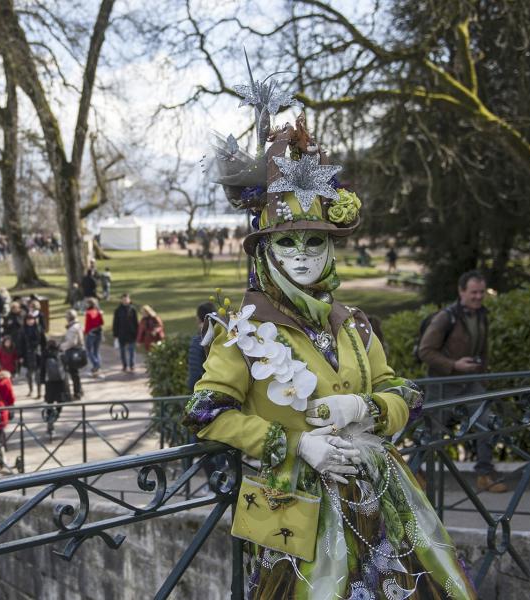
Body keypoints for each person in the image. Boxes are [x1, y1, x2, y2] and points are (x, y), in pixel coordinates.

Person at [185, 110, 472, 597]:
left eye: (314, 241)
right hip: (297, 513)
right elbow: (204, 410)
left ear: (331, 250)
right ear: (266, 252)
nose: (301, 253)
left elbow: (404, 392)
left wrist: (365, 407)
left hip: (379, 502)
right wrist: (296, 443)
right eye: (286, 241)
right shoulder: (243, 333)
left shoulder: (354, 323)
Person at [418, 270, 507, 493]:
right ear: (461, 291)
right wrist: (454, 365)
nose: (478, 296)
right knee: (432, 432)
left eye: (481, 292)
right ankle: (415, 472)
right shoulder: (445, 317)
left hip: (471, 382)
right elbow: (425, 351)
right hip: (442, 384)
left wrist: (482, 376)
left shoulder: (481, 315)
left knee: (488, 422)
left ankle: (484, 474)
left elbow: (483, 350)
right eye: (473, 292)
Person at [186, 301, 217, 390]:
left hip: (206, 389)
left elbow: (195, 372)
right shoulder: (223, 337)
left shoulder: (198, 341)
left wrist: (191, 386)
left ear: (199, 319)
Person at [16, 312, 45, 399]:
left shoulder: (39, 328)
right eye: (28, 320)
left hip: (38, 354)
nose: (30, 321)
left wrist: (44, 352)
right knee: (29, 374)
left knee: (38, 374)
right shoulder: (22, 330)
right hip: (27, 355)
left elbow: (43, 342)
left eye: (32, 319)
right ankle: (31, 389)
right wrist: (20, 356)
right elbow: (20, 344)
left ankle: (39, 392)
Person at [60, 309, 85, 400]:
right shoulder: (77, 325)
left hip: (72, 353)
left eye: (66, 316)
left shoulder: (73, 328)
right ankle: (80, 391)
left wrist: (61, 347)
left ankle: (77, 393)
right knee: (75, 374)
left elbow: (72, 342)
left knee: (74, 374)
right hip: (77, 352)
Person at [112, 293, 139, 373]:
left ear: (129, 300)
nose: (125, 301)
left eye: (126, 299)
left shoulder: (133, 309)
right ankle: (124, 365)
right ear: (121, 300)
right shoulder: (118, 310)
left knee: (131, 351)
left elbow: (136, 322)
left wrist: (137, 332)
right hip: (121, 333)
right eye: (123, 299)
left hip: (131, 333)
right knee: (122, 351)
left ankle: (132, 365)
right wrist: (115, 334)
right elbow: (115, 323)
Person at [83, 298, 104, 377]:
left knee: (89, 351)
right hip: (98, 333)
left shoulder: (88, 313)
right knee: (96, 351)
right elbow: (102, 322)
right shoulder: (98, 312)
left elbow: (87, 325)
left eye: (87, 303)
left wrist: (85, 333)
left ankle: (96, 364)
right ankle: (97, 369)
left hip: (91, 334)